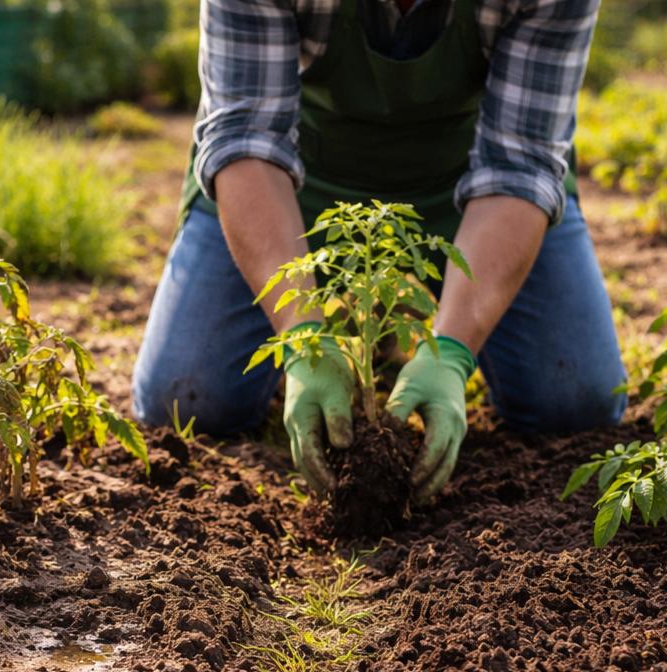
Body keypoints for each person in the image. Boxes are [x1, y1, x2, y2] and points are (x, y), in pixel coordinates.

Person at [131, 0, 629, 503]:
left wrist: (453, 351)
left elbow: (519, 164)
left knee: (573, 401)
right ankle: (339, 334)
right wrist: (302, 335)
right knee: (188, 396)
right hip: (292, 179)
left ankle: (404, 333)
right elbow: (246, 139)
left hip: (478, 183)